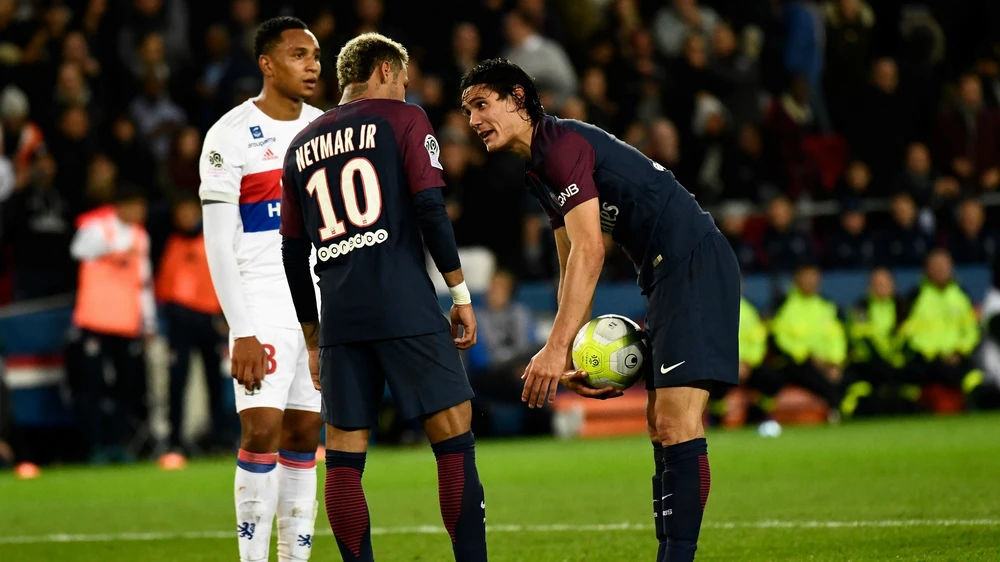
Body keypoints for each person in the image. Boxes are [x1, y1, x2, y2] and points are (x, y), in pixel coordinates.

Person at [460, 58, 740, 562]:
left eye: (482, 104)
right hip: (665, 273)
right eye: (467, 111)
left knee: (677, 423)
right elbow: (570, 257)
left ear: (518, 98)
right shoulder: (538, 167)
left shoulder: (560, 147)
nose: (473, 121)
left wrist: (554, 347)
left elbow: (592, 250)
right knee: (660, 424)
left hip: (692, 264)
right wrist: (579, 350)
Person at [280, 33, 487, 562]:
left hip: (340, 317)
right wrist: (459, 292)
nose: (406, 89)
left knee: (345, 460)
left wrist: (312, 336)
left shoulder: (300, 145)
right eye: (404, 79)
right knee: (453, 438)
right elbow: (431, 209)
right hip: (403, 302)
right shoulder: (404, 119)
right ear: (385, 70)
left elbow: (292, 251)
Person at [198, 17, 324, 562]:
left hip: (316, 303)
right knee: (262, 430)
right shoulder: (228, 135)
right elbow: (218, 245)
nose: (312, 65)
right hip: (262, 300)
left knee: (304, 433)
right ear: (267, 65)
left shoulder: (325, 130)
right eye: (299, 55)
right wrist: (242, 329)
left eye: (315, 55)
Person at [69, 185, 156, 465]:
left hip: (127, 323)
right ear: (121, 206)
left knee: (125, 387)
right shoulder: (97, 228)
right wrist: (116, 246)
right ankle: (96, 445)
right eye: (136, 206)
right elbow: (77, 250)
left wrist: (149, 322)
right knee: (92, 386)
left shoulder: (141, 236)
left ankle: (118, 444)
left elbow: (144, 283)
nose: (140, 212)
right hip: (95, 321)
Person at [155, 194, 228, 459]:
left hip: (209, 321)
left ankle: (219, 438)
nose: (186, 217)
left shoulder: (212, 240)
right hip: (180, 324)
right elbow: (163, 286)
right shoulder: (170, 243)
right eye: (181, 213)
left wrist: (225, 317)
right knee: (177, 383)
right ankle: (174, 440)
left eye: (189, 211)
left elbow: (225, 280)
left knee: (215, 383)